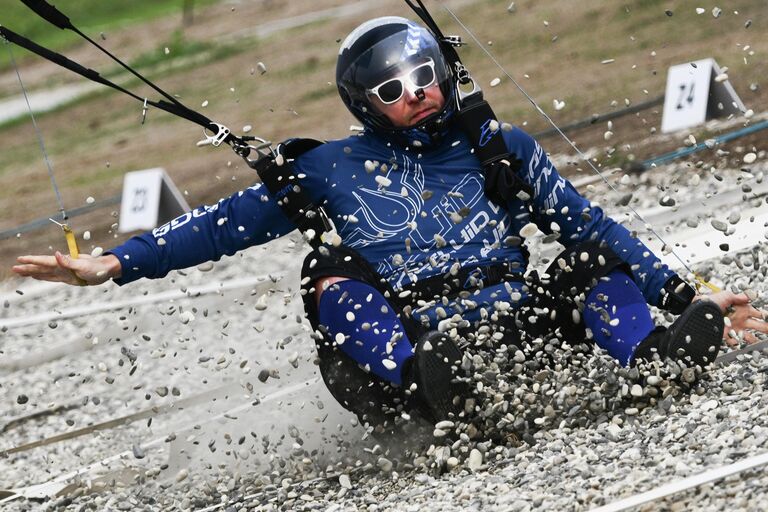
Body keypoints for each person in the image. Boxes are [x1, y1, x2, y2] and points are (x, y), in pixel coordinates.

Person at [13, 17, 768, 431]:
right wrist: (113, 263)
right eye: (392, 88)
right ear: (364, 103)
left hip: (512, 330)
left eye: (423, 77)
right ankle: (437, 389)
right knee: (325, 274)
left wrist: (682, 293)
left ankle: (654, 357)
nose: (415, 94)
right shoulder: (325, 170)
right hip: (409, 358)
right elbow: (219, 224)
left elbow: (589, 226)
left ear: (444, 73)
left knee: (582, 268)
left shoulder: (498, 148)